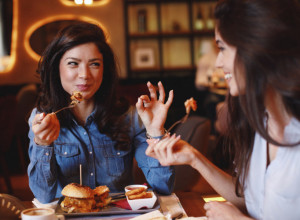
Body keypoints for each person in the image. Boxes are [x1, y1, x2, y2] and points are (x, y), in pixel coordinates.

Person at [142, 0, 300, 219]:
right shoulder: (261, 123)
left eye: (222, 48)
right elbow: (253, 201)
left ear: (256, 49)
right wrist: (195, 158)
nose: (217, 62)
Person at [27, 21, 175, 203]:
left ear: (105, 70)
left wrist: (156, 132)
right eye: (73, 64)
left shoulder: (128, 117)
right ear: (56, 68)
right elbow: (43, 196)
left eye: (94, 64)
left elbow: (163, 186)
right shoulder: (41, 120)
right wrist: (42, 143)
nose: (85, 75)